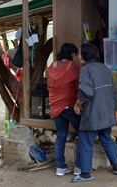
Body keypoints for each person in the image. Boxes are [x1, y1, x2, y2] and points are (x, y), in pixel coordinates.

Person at [71, 43, 117, 183]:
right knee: (106, 139)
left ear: (85, 56)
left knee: (85, 142)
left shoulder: (86, 70)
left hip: (94, 113)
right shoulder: (104, 67)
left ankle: (86, 174)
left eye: (81, 53)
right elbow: (113, 90)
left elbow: (86, 92)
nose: (79, 56)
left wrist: (77, 104)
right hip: (107, 111)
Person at [47, 43, 81, 177]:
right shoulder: (73, 67)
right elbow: (80, 85)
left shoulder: (52, 66)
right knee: (83, 134)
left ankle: (60, 167)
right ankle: (79, 167)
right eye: (76, 55)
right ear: (72, 54)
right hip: (69, 106)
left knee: (61, 136)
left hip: (55, 106)